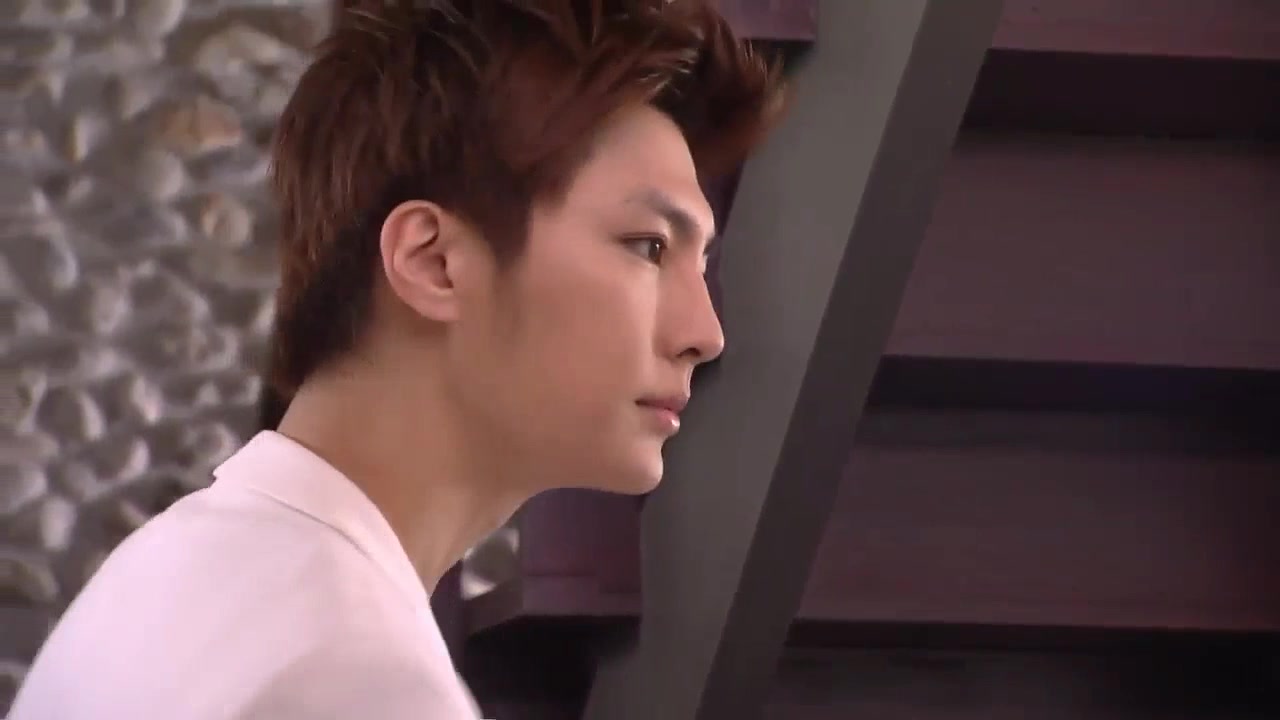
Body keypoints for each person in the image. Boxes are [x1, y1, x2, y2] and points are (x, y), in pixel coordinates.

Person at [8, 0, 787, 717]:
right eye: (648, 246)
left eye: (700, 262)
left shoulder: (168, 570)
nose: (705, 333)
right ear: (433, 262)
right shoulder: (356, 677)